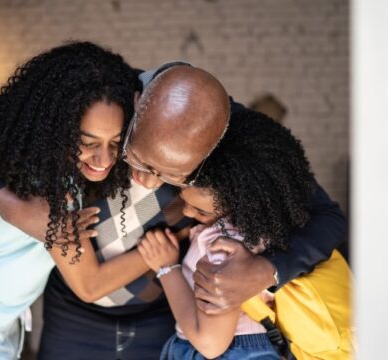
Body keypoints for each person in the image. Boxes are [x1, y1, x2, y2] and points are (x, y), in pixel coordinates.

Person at [0, 61, 347, 359]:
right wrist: (13, 207)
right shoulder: (101, 97)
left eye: (171, 175)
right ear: (136, 106)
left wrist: (268, 270)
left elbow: (327, 217)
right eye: (141, 160)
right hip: (74, 315)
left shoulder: (233, 134)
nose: (149, 180)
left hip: (163, 316)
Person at [0, 41, 144, 360]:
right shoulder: (45, 186)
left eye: (115, 143)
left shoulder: (58, 174)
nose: (104, 158)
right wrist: (161, 254)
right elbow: (90, 285)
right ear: (59, 127)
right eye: (87, 142)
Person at [138, 109, 329, 359]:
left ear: (238, 203)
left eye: (199, 210)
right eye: (184, 199)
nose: (187, 211)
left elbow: (210, 343)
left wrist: (166, 269)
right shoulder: (253, 231)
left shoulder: (222, 248)